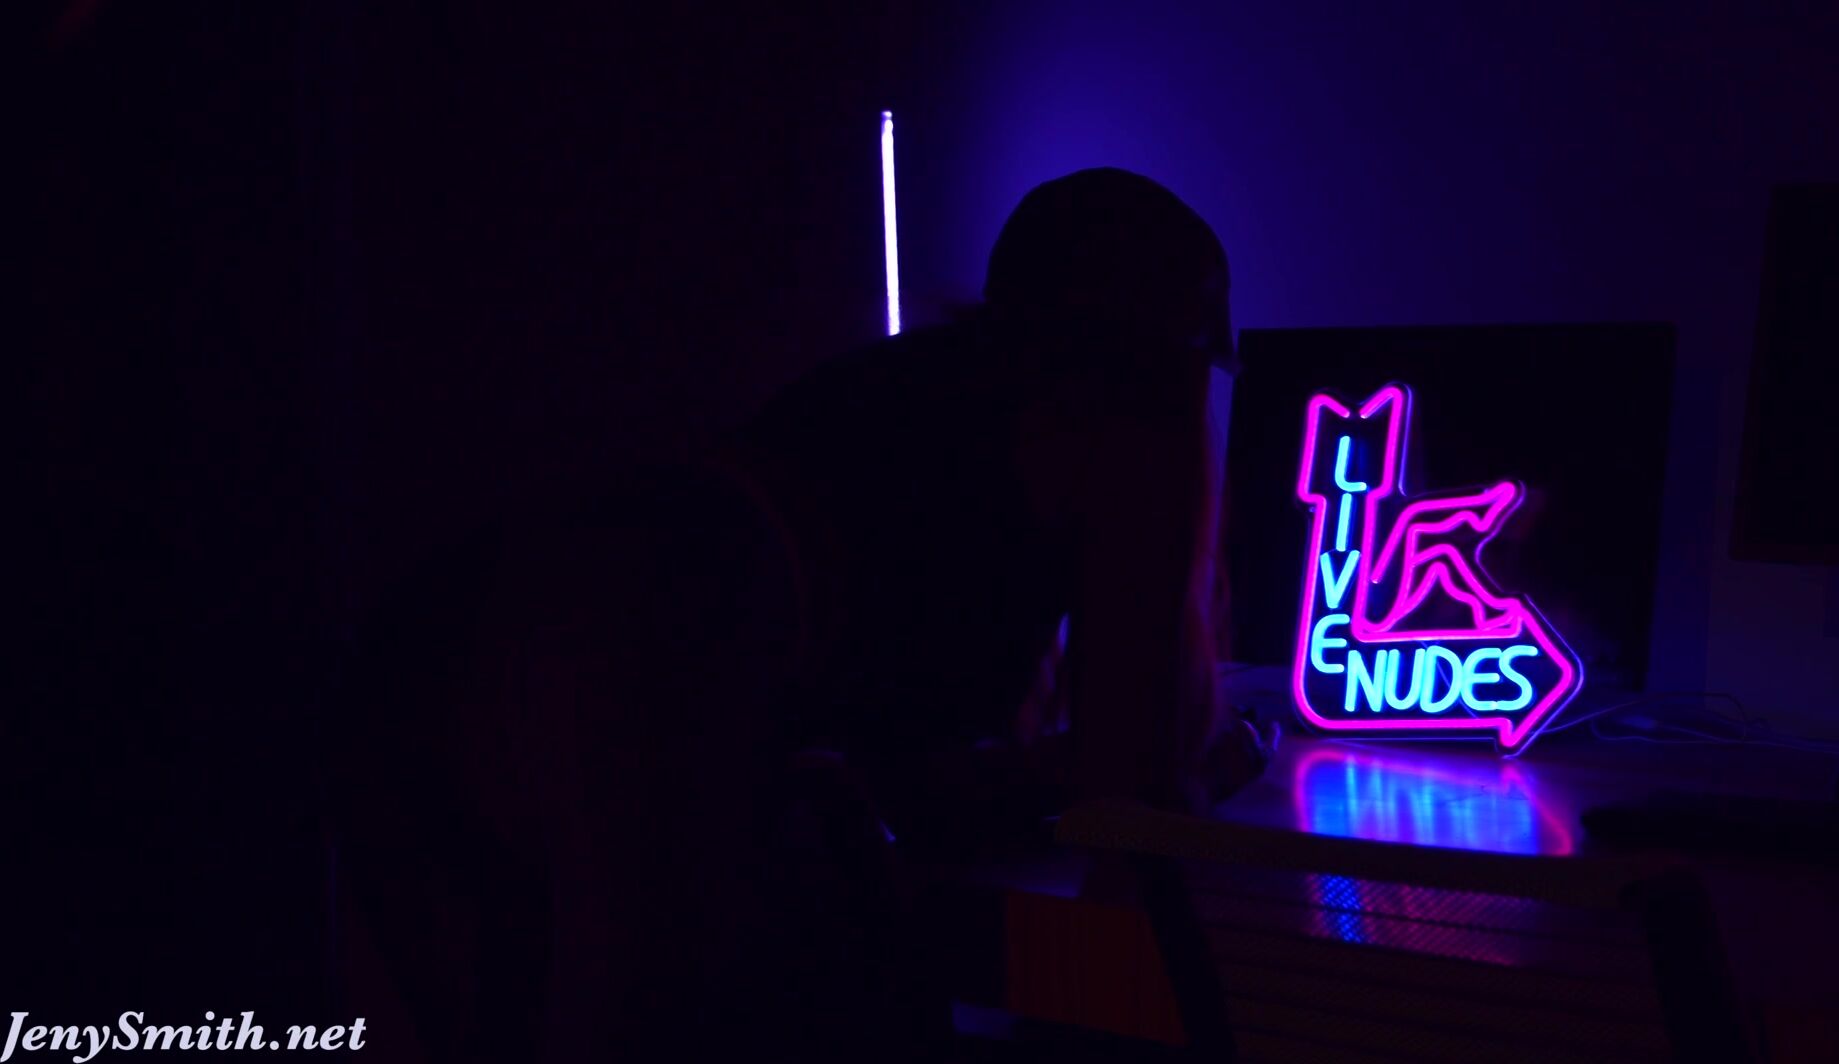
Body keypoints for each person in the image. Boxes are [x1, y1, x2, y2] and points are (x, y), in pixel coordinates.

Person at [328, 167, 1272, 1061]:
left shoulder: (918, 417)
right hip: (613, 655)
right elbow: (1049, 794)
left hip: (444, 662)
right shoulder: (1013, 488)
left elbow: (916, 782)